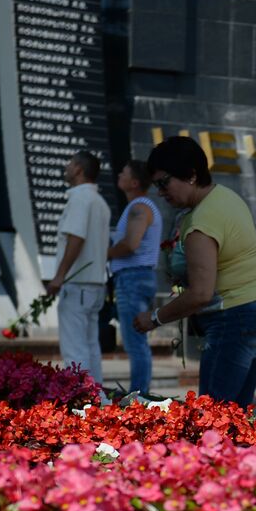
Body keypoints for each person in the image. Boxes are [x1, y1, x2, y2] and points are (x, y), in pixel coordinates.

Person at [131, 136, 256, 407]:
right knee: (236, 413)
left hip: (235, 317)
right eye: (156, 186)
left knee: (213, 416)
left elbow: (200, 293)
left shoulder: (202, 221)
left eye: (164, 183)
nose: (161, 193)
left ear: (190, 175)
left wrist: (155, 318)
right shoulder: (224, 196)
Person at [47, 150, 111, 386]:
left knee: (75, 350)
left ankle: (81, 400)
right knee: (90, 347)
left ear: (79, 170)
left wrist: (59, 276)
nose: (67, 167)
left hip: (78, 283)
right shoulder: (99, 202)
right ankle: (96, 400)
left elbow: (76, 237)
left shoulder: (81, 199)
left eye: (70, 164)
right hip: (94, 285)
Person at [107, 159, 163, 395]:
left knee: (135, 342)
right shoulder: (138, 206)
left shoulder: (140, 207)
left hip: (133, 278)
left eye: (124, 172)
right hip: (134, 278)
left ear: (134, 182)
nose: (119, 173)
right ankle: (140, 394)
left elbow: (130, 244)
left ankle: (138, 397)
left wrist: (101, 253)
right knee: (136, 341)